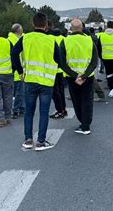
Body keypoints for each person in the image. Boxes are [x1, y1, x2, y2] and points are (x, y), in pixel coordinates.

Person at [12, 13, 60, 151]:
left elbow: (14, 53)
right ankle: (40, 141)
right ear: (46, 25)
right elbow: (59, 59)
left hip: (30, 80)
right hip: (46, 82)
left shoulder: (25, 38)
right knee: (44, 112)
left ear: (33, 24)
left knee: (29, 111)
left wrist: (20, 71)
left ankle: (28, 140)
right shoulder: (51, 40)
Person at [60, 19, 98, 135]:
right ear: (82, 28)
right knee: (87, 100)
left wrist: (75, 76)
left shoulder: (65, 41)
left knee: (76, 100)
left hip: (72, 78)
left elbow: (62, 62)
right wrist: (84, 76)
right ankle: (86, 125)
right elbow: (94, 61)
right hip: (87, 76)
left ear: (71, 29)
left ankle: (82, 122)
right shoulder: (89, 40)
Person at [47, 21, 68, 119]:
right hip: (62, 69)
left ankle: (60, 111)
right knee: (61, 91)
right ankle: (63, 109)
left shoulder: (49, 39)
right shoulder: (64, 39)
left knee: (55, 92)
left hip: (53, 69)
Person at [7, 24, 25, 119]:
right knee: (18, 92)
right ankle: (15, 109)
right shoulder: (13, 40)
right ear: (19, 30)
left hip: (16, 70)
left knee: (19, 92)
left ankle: (20, 108)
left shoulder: (10, 39)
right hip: (17, 70)